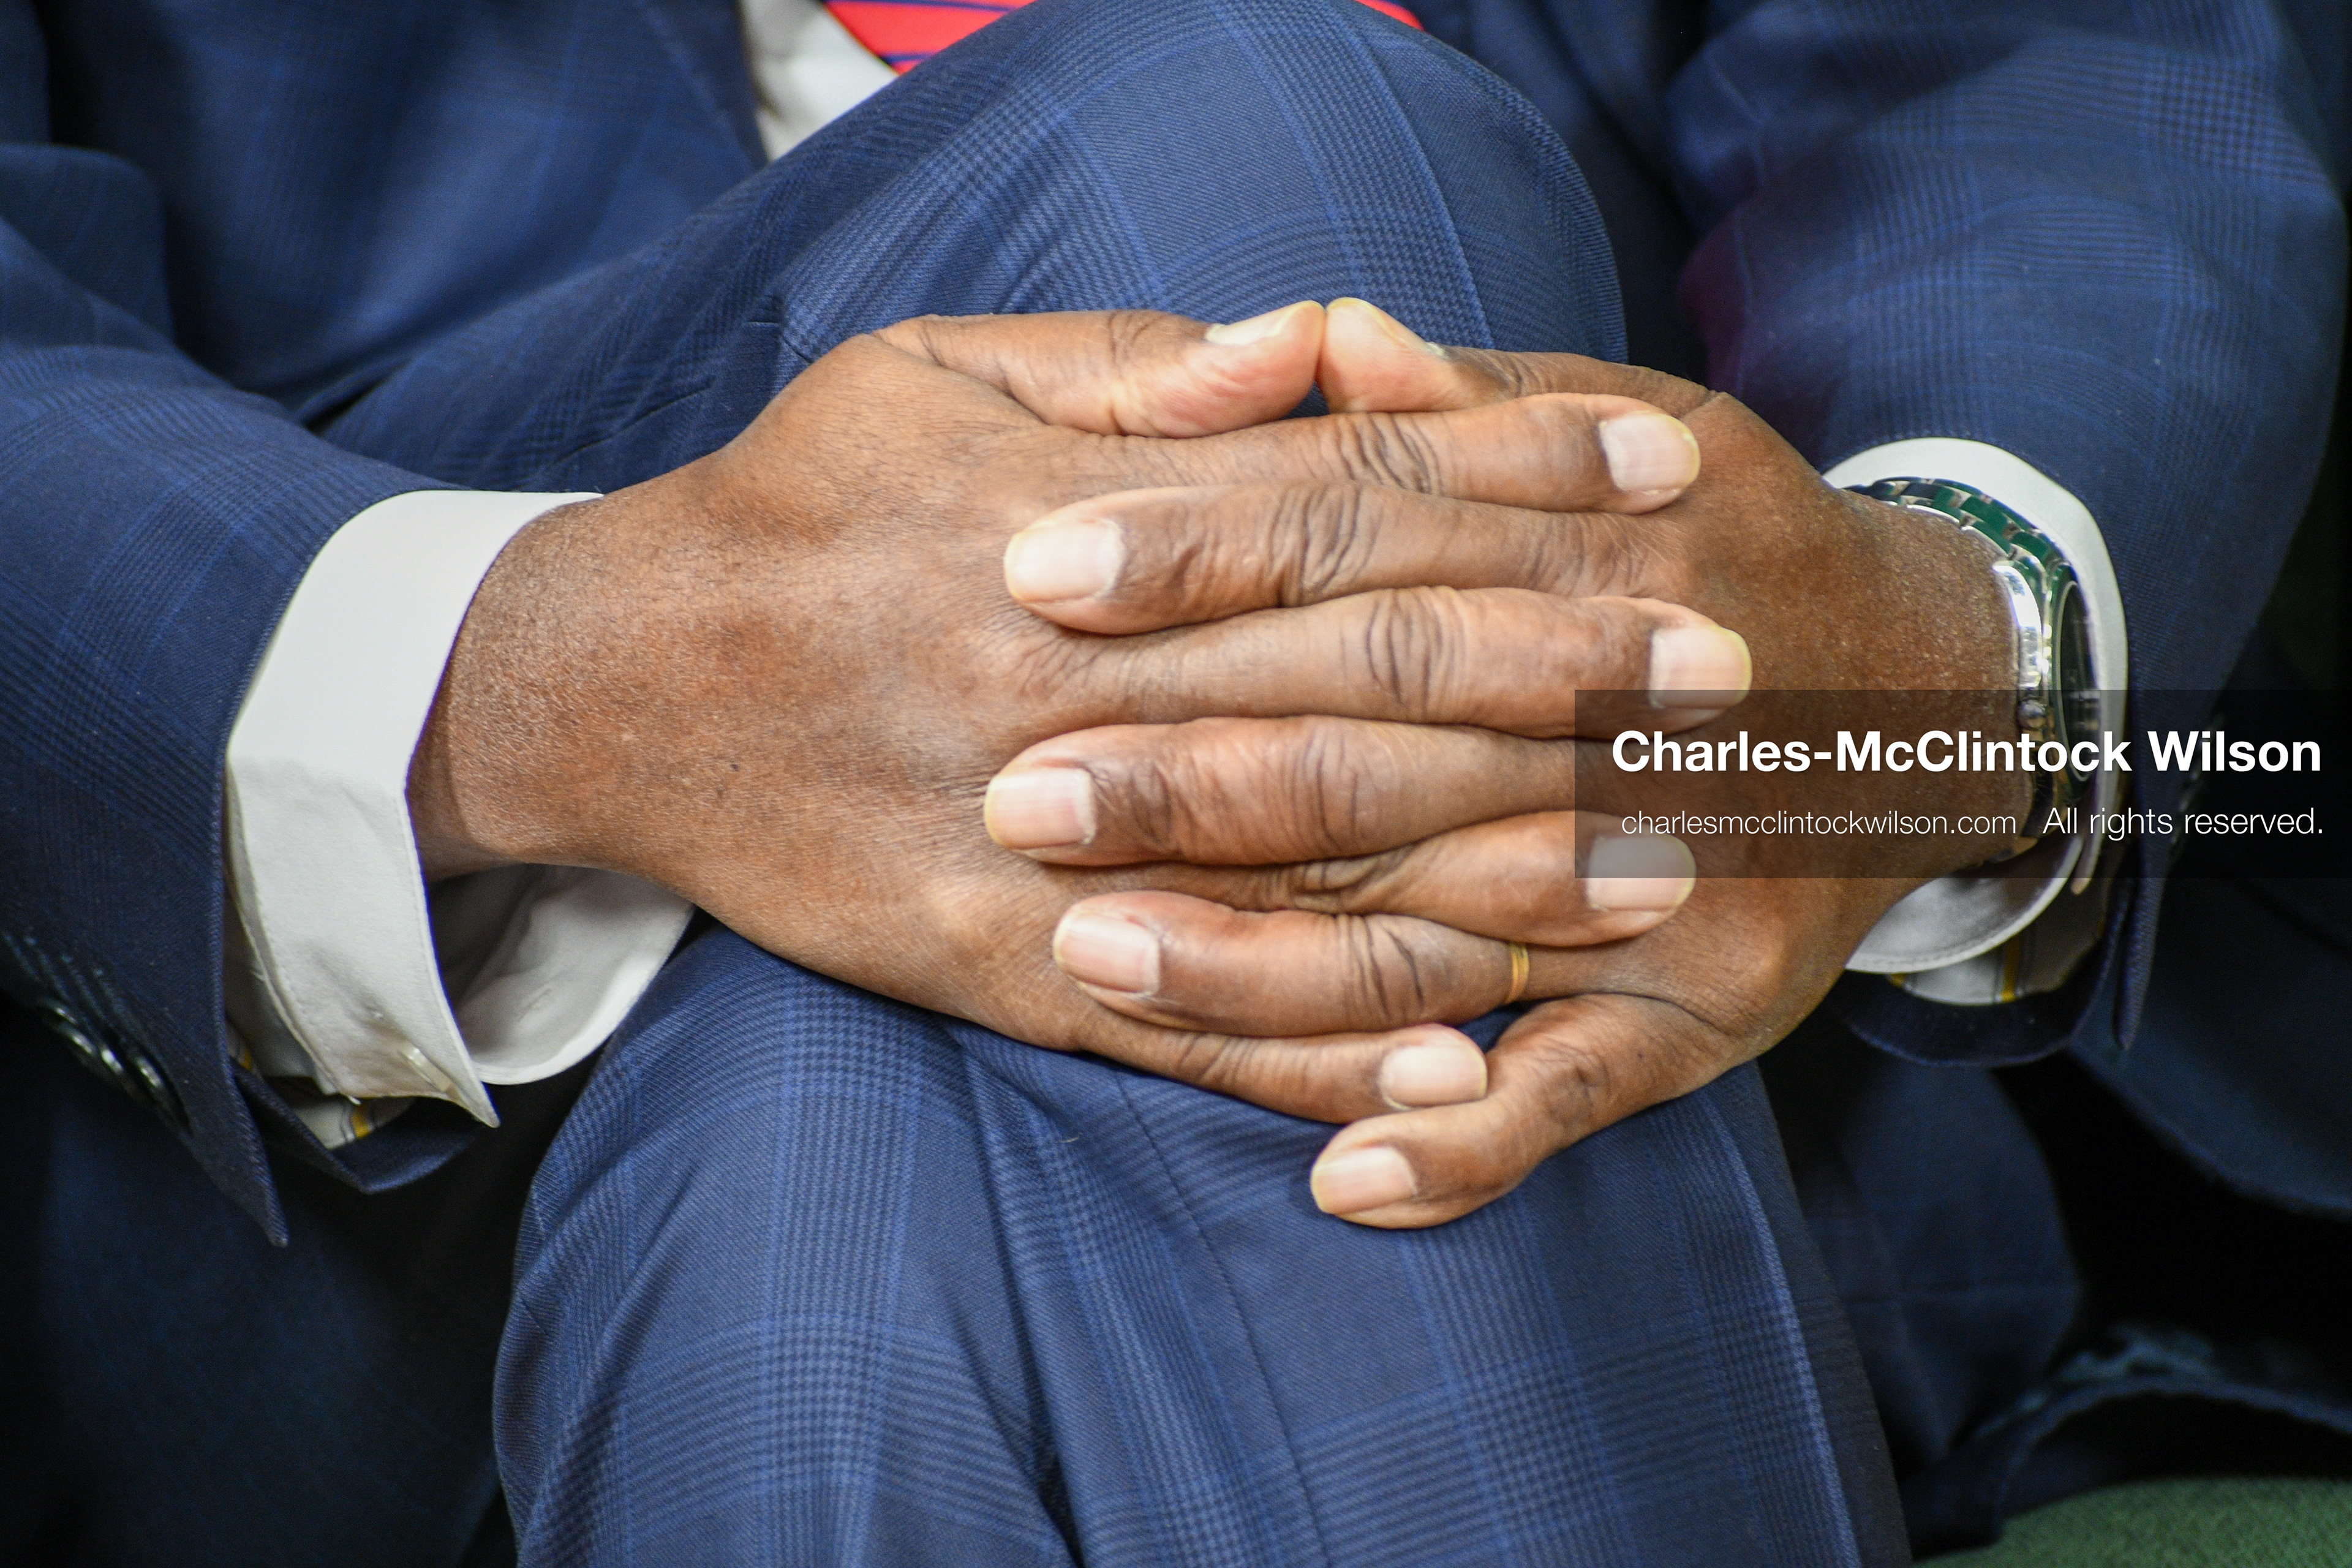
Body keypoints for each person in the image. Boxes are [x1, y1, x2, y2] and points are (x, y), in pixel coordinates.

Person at [2, 0, 2345, 1562]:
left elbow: (2051, 80)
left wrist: (1946, 665)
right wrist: (532, 686)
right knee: (1258, 171)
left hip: (1684, 942)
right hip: (295, 1112)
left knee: (810, 1260)